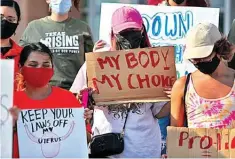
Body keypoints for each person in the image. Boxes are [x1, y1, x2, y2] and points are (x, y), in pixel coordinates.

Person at [71, 6, 171, 158]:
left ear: (142, 31)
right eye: (124, 33)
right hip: (106, 150)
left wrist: (174, 95)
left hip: (144, 151)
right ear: (113, 34)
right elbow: (76, 101)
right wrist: (84, 100)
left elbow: (159, 112)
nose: (129, 38)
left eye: (134, 32)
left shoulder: (153, 64)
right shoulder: (97, 63)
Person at [9, 42, 93, 158]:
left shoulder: (68, 99)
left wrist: (81, 125)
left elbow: (86, 141)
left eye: (45, 65)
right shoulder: (11, 103)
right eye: (33, 65)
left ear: (52, 68)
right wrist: (9, 126)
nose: (39, 69)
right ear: (20, 67)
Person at [170, 22, 235, 129]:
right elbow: (175, 134)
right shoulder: (182, 85)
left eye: (204, 56)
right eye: (194, 59)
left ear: (219, 50)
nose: (199, 62)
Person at [19, 0, 94, 91]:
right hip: (42, 92)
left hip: (75, 92)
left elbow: (91, 63)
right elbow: (20, 60)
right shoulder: (34, 27)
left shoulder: (82, 28)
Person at [0, 0, 23, 91]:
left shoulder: (25, 55)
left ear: (17, 22)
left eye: (10, 19)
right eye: (0, 17)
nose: (4, 22)